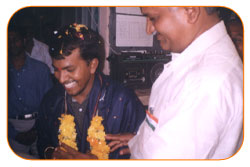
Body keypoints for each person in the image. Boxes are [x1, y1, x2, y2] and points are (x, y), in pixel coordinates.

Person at [106, 7, 243, 159]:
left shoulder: (205, 82)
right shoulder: (196, 62)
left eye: (153, 18)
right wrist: (140, 141)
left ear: (191, 12)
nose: (148, 29)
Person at [36, 23, 145, 159]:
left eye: (69, 70)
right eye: (57, 70)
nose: (61, 79)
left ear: (92, 65)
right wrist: (52, 154)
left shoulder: (122, 101)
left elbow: (145, 153)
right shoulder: (51, 99)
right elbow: (42, 143)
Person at [8, 26, 53, 159]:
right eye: (7, 40)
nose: (11, 44)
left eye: (15, 40)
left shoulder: (40, 69)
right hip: (11, 127)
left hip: (38, 125)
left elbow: (49, 105)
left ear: (24, 40)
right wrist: (13, 134)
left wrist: (37, 129)